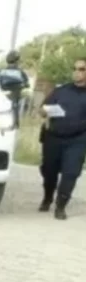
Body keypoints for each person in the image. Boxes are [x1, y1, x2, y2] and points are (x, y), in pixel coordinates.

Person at [37, 57, 86, 220]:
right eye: (75, 68)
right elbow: (43, 108)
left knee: (71, 173)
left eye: (82, 69)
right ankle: (48, 197)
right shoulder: (61, 90)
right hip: (53, 137)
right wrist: (44, 111)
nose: (77, 72)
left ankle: (61, 206)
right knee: (49, 171)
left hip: (77, 140)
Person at [3, 50, 30, 125]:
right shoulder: (20, 72)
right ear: (16, 61)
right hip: (15, 97)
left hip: (4, 98)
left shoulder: (2, 72)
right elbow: (27, 84)